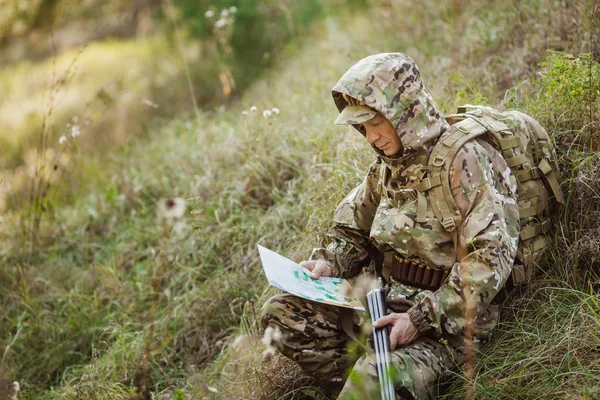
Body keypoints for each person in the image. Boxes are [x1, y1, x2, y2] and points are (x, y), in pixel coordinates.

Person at [261, 53, 520, 399]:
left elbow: (490, 258)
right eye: (362, 128)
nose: (370, 138)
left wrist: (420, 319)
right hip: (383, 310)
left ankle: (374, 384)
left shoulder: (465, 162)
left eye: (375, 123)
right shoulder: (386, 169)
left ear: (404, 112)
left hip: (444, 331)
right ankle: (365, 387)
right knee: (282, 315)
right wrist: (328, 261)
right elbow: (350, 229)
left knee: (372, 379)